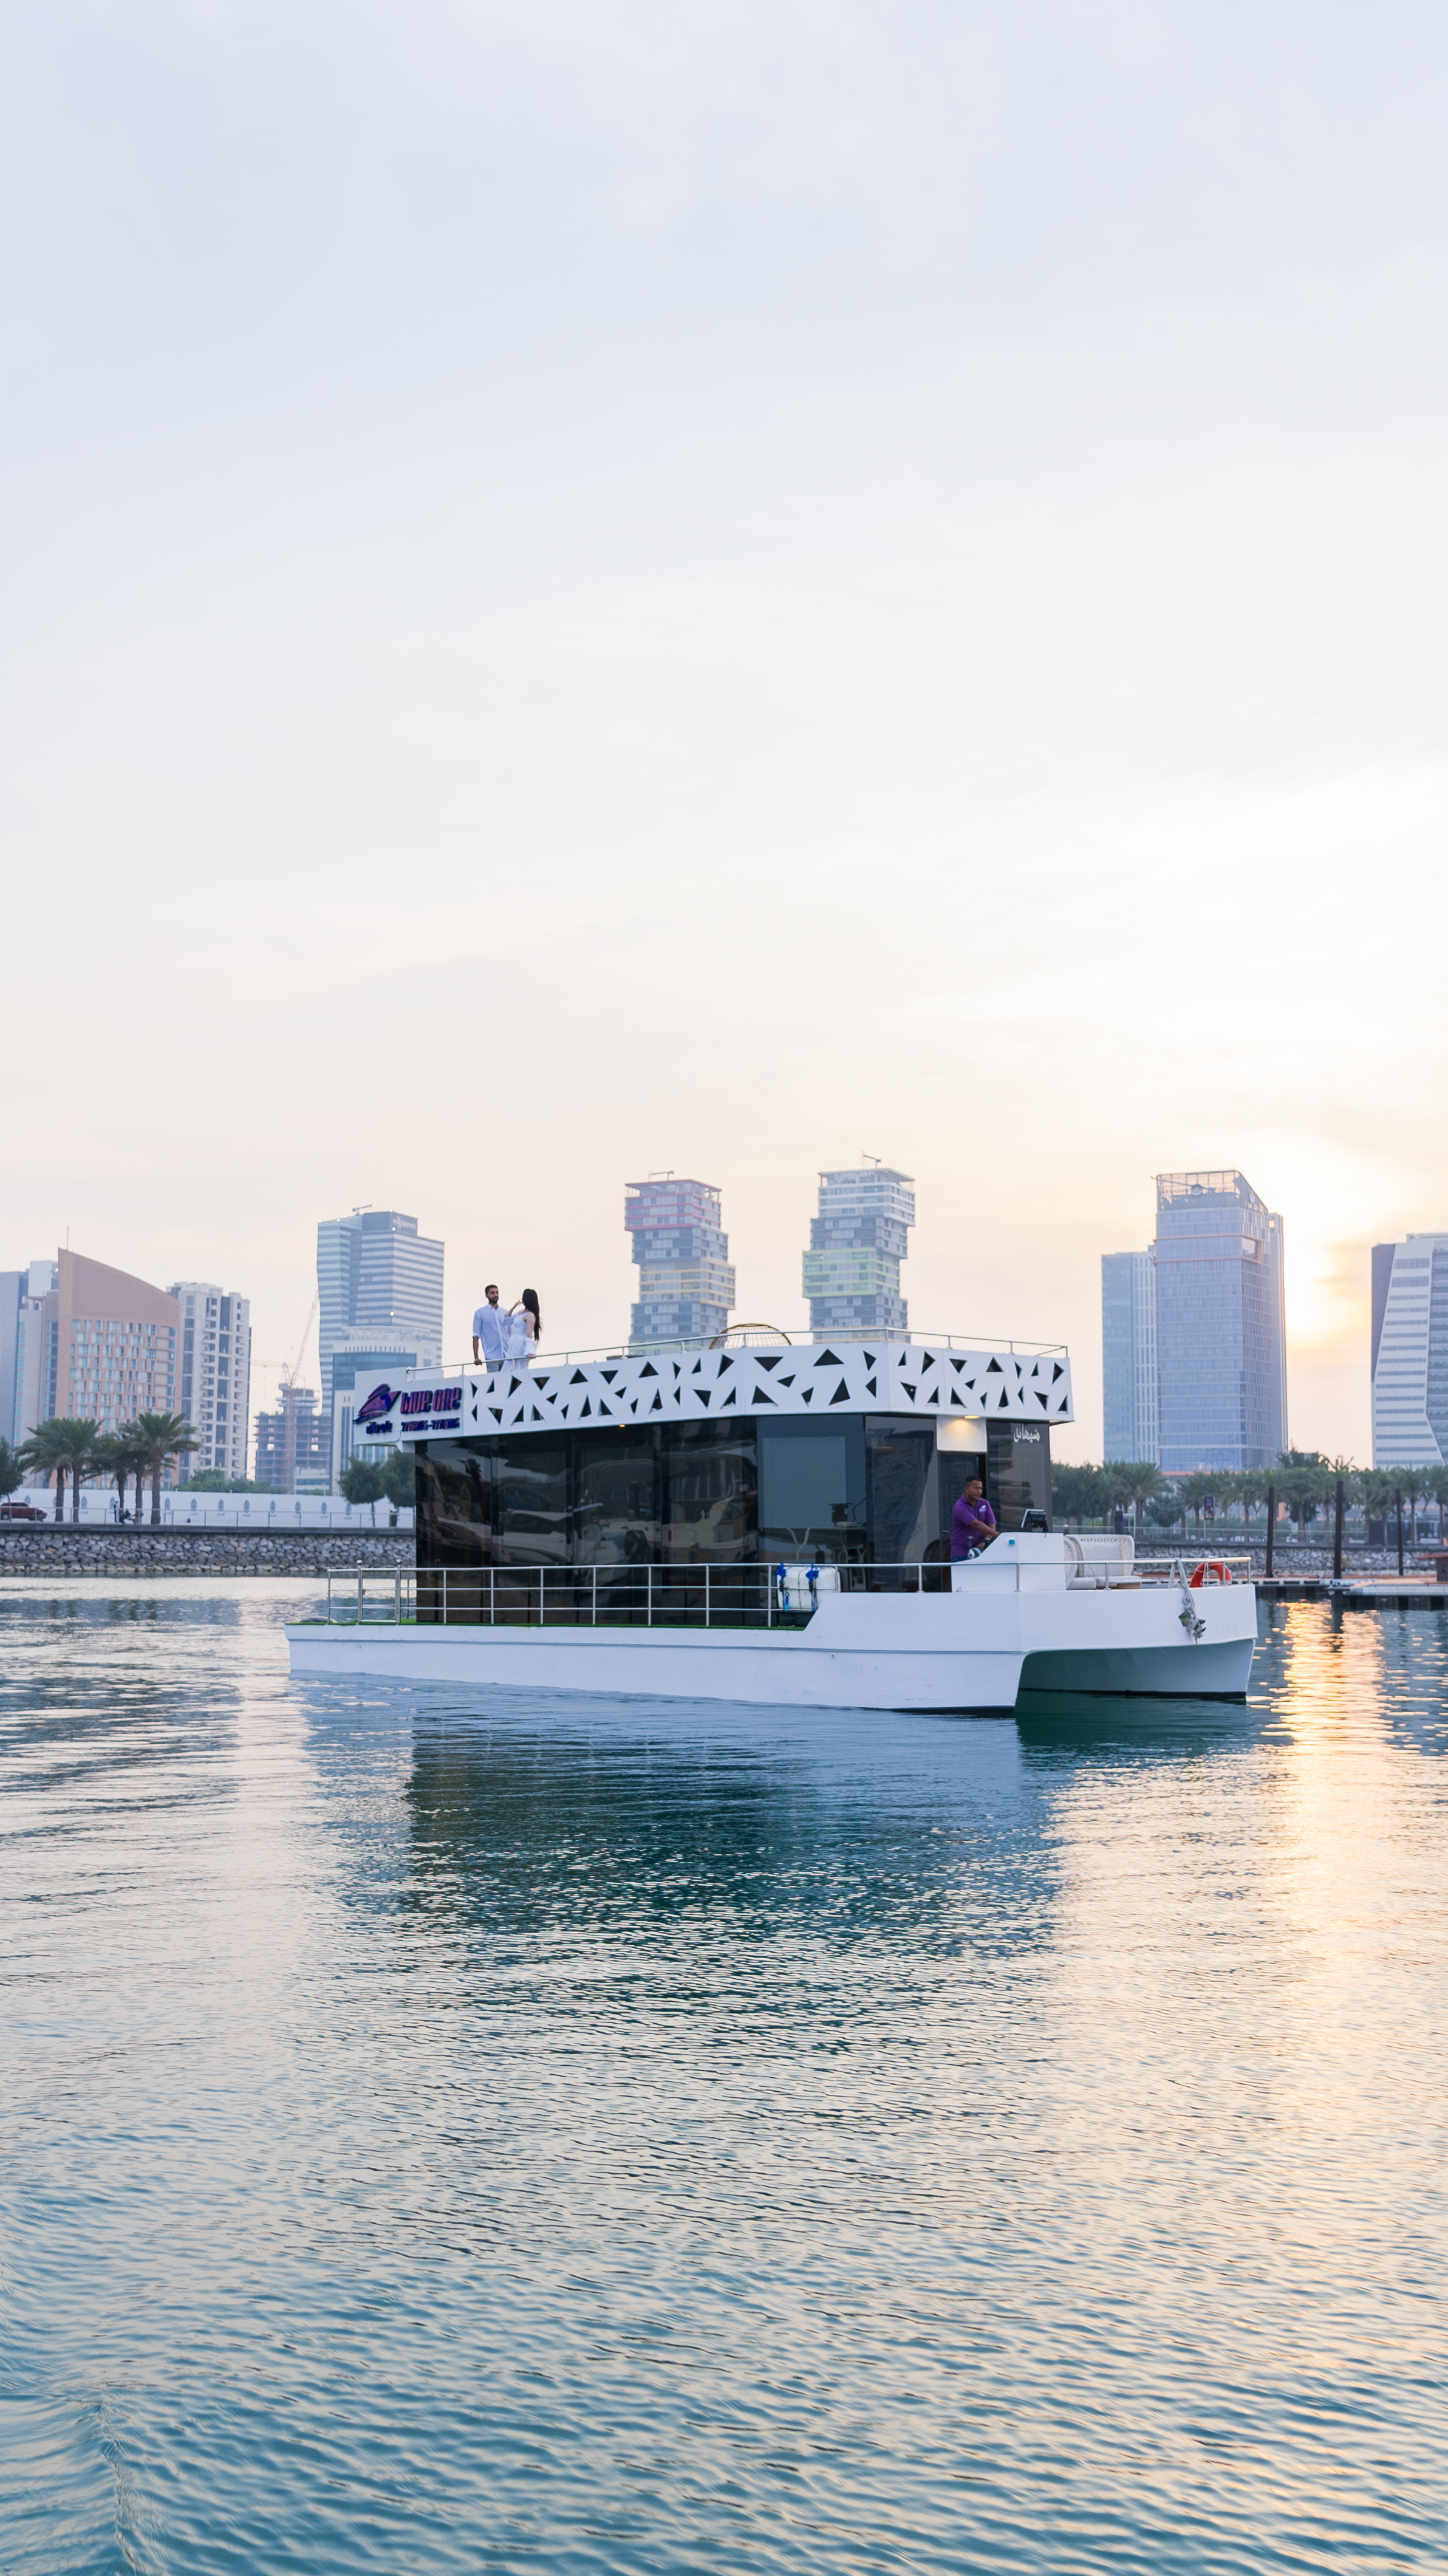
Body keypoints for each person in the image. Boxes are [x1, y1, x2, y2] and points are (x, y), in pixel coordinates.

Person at [951, 1478, 997, 1561]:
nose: (979, 1491)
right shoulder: (959, 1506)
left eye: (981, 1488)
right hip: (962, 1554)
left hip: (980, 1552)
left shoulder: (984, 1503)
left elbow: (992, 1525)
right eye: (976, 1488)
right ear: (967, 1488)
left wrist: (985, 1541)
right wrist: (999, 1535)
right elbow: (976, 1524)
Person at [472, 1284, 508, 1370]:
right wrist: (476, 1357)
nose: (495, 1295)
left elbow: (511, 1333)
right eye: (492, 1293)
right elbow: (476, 1336)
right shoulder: (480, 1313)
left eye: (497, 1293)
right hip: (492, 1356)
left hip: (507, 1355)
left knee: (509, 1378)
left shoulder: (505, 1313)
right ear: (487, 1295)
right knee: (494, 1378)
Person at [507, 1289, 542, 1366]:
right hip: (513, 1342)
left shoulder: (530, 1316)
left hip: (520, 1343)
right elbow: (506, 1321)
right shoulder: (520, 1312)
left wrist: (529, 1351)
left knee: (518, 1366)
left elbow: (529, 1335)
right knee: (510, 1365)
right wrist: (514, 1307)